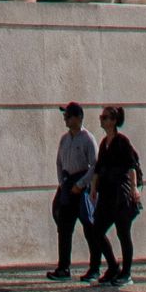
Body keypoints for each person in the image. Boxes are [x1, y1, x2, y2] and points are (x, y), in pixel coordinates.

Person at [89, 106, 142, 286]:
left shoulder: (122, 141)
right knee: (96, 231)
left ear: (113, 121)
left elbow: (132, 166)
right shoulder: (104, 143)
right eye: (101, 117)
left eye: (104, 117)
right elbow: (98, 168)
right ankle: (113, 266)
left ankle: (126, 273)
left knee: (123, 232)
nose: (101, 120)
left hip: (121, 194)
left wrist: (134, 189)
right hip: (106, 194)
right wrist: (94, 188)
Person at [49, 103, 95, 279]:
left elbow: (94, 165)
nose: (65, 119)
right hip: (68, 185)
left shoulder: (88, 139)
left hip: (81, 187)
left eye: (68, 116)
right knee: (64, 227)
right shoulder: (64, 139)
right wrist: (62, 183)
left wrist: (82, 184)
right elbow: (59, 163)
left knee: (89, 228)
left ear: (78, 118)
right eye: (65, 116)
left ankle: (94, 267)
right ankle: (63, 267)